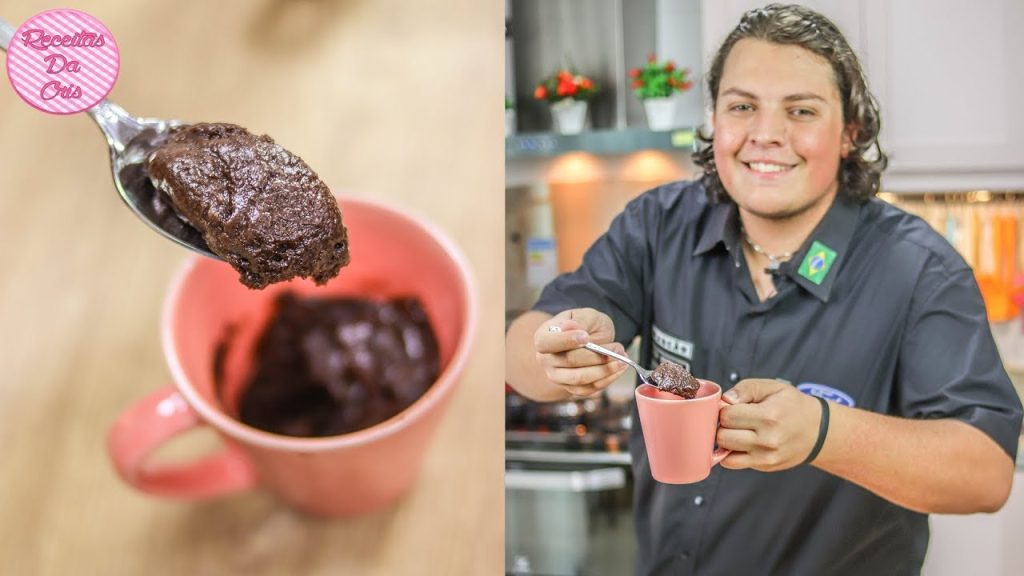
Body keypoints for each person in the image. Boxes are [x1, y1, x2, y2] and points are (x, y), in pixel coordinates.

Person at [504, 4, 1023, 575]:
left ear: (849, 132)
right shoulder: (657, 226)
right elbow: (522, 350)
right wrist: (556, 352)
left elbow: (987, 472)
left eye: (801, 110)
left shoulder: (919, 269)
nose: (766, 135)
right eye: (742, 106)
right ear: (716, 120)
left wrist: (825, 432)